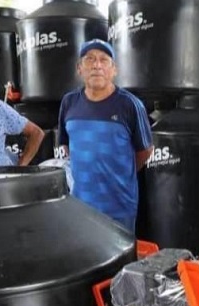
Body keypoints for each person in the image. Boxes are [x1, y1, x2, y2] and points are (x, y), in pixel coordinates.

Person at [57, 39, 153, 231]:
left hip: (119, 207)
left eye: (103, 59)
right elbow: (66, 146)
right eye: (89, 59)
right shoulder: (69, 103)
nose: (96, 65)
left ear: (114, 69)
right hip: (80, 206)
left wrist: (118, 172)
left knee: (121, 260)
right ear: (79, 68)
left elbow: (145, 150)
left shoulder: (130, 105)